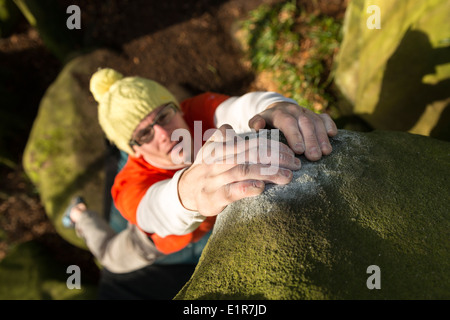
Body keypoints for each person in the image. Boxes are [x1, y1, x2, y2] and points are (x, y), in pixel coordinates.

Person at [63, 67, 338, 276]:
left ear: (176, 108)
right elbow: (154, 210)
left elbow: (239, 108)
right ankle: (79, 215)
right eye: (144, 134)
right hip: (154, 241)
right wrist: (186, 193)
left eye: (163, 116)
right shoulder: (128, 183)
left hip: (206, 222)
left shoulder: (194, 111)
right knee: (111, 259)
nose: (163, 133)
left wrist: (276, 107)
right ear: (133, 150)